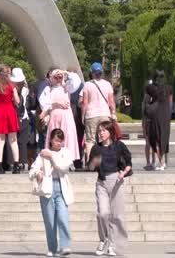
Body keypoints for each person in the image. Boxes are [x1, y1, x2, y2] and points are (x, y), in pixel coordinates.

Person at [88, 120, 132, 256]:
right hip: (101, 182)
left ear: (110, 132)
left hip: (116, 181)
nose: (101, 133)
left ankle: (113, 245)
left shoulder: (119, 146)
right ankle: (103, 239)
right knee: (103, 213)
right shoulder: (96, 148)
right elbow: (89, 167)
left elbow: (129, 163)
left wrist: (123, 172)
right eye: (99, 131)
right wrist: (93, 163)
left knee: (116, 216)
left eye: (103, 130)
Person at [29, 128, 74, 257]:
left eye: (61, 141)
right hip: (47, 189)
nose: (59, 143)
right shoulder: (43, 154)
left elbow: (63, 167)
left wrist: (52, 156)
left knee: (63, 217)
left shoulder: (65, 152)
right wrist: (38, 173)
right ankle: (52, 248)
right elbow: (32, 170)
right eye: (56, 140)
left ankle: (65, 246)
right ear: (51, 140)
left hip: (61, 188)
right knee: (50, 221)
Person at [0, 64, 20, 174]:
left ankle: (0, 166)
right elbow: (17, 101)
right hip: (10, 112)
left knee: (0, 141)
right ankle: (16, 165)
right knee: (13, 140)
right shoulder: (12, 86)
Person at [81, 62, 115, 165]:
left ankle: (90, 163)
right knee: (105, 138)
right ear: (101, 72)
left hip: (91, 115)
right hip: (105, 114)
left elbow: (85, 102)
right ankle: (107, 161)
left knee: (90, 140)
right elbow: (111, 102)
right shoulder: (107, 84)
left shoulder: (87, 85)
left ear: (92, 72)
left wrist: (83, 116)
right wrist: (113, 113)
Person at [44, 70, 80, 164]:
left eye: (60, 77)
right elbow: (46, 104)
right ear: (52, 78)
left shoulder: (67, 87)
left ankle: (68, 159)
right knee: (54, 136)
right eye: (56, 77)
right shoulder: (49, 89)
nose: (58, 80)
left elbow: (77, 81)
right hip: (55, 117)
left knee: (68, 136)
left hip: (66, 116)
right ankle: (53, 157)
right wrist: (56, 104)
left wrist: (66, 72)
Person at [13, 68, 37, 169]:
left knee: (18, 141)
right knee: (21, 141)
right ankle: (21, 162)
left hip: (19, 117)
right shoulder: (25, 89)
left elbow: (30, 104)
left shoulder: (18, 89)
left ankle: (19, 161)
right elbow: (31, 105)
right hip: (22, 117)